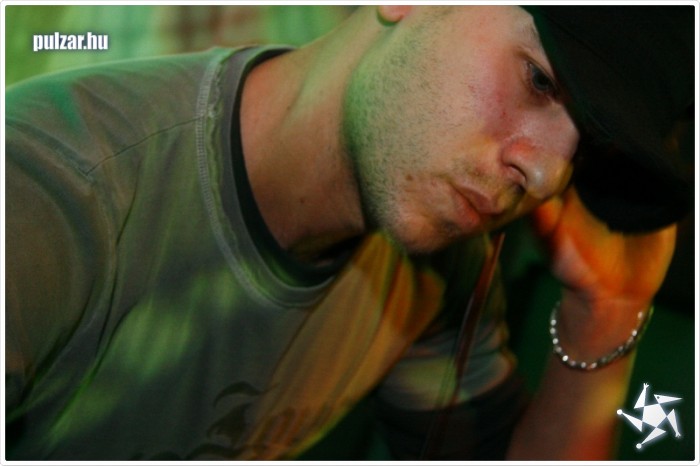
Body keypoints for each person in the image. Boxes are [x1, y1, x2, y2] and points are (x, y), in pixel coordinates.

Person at [4, 5, 694, 461]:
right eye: (539, 81)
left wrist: (606, 312)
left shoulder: (441, 261)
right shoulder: (45, 188)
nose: (546, 174)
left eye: (584, 152)